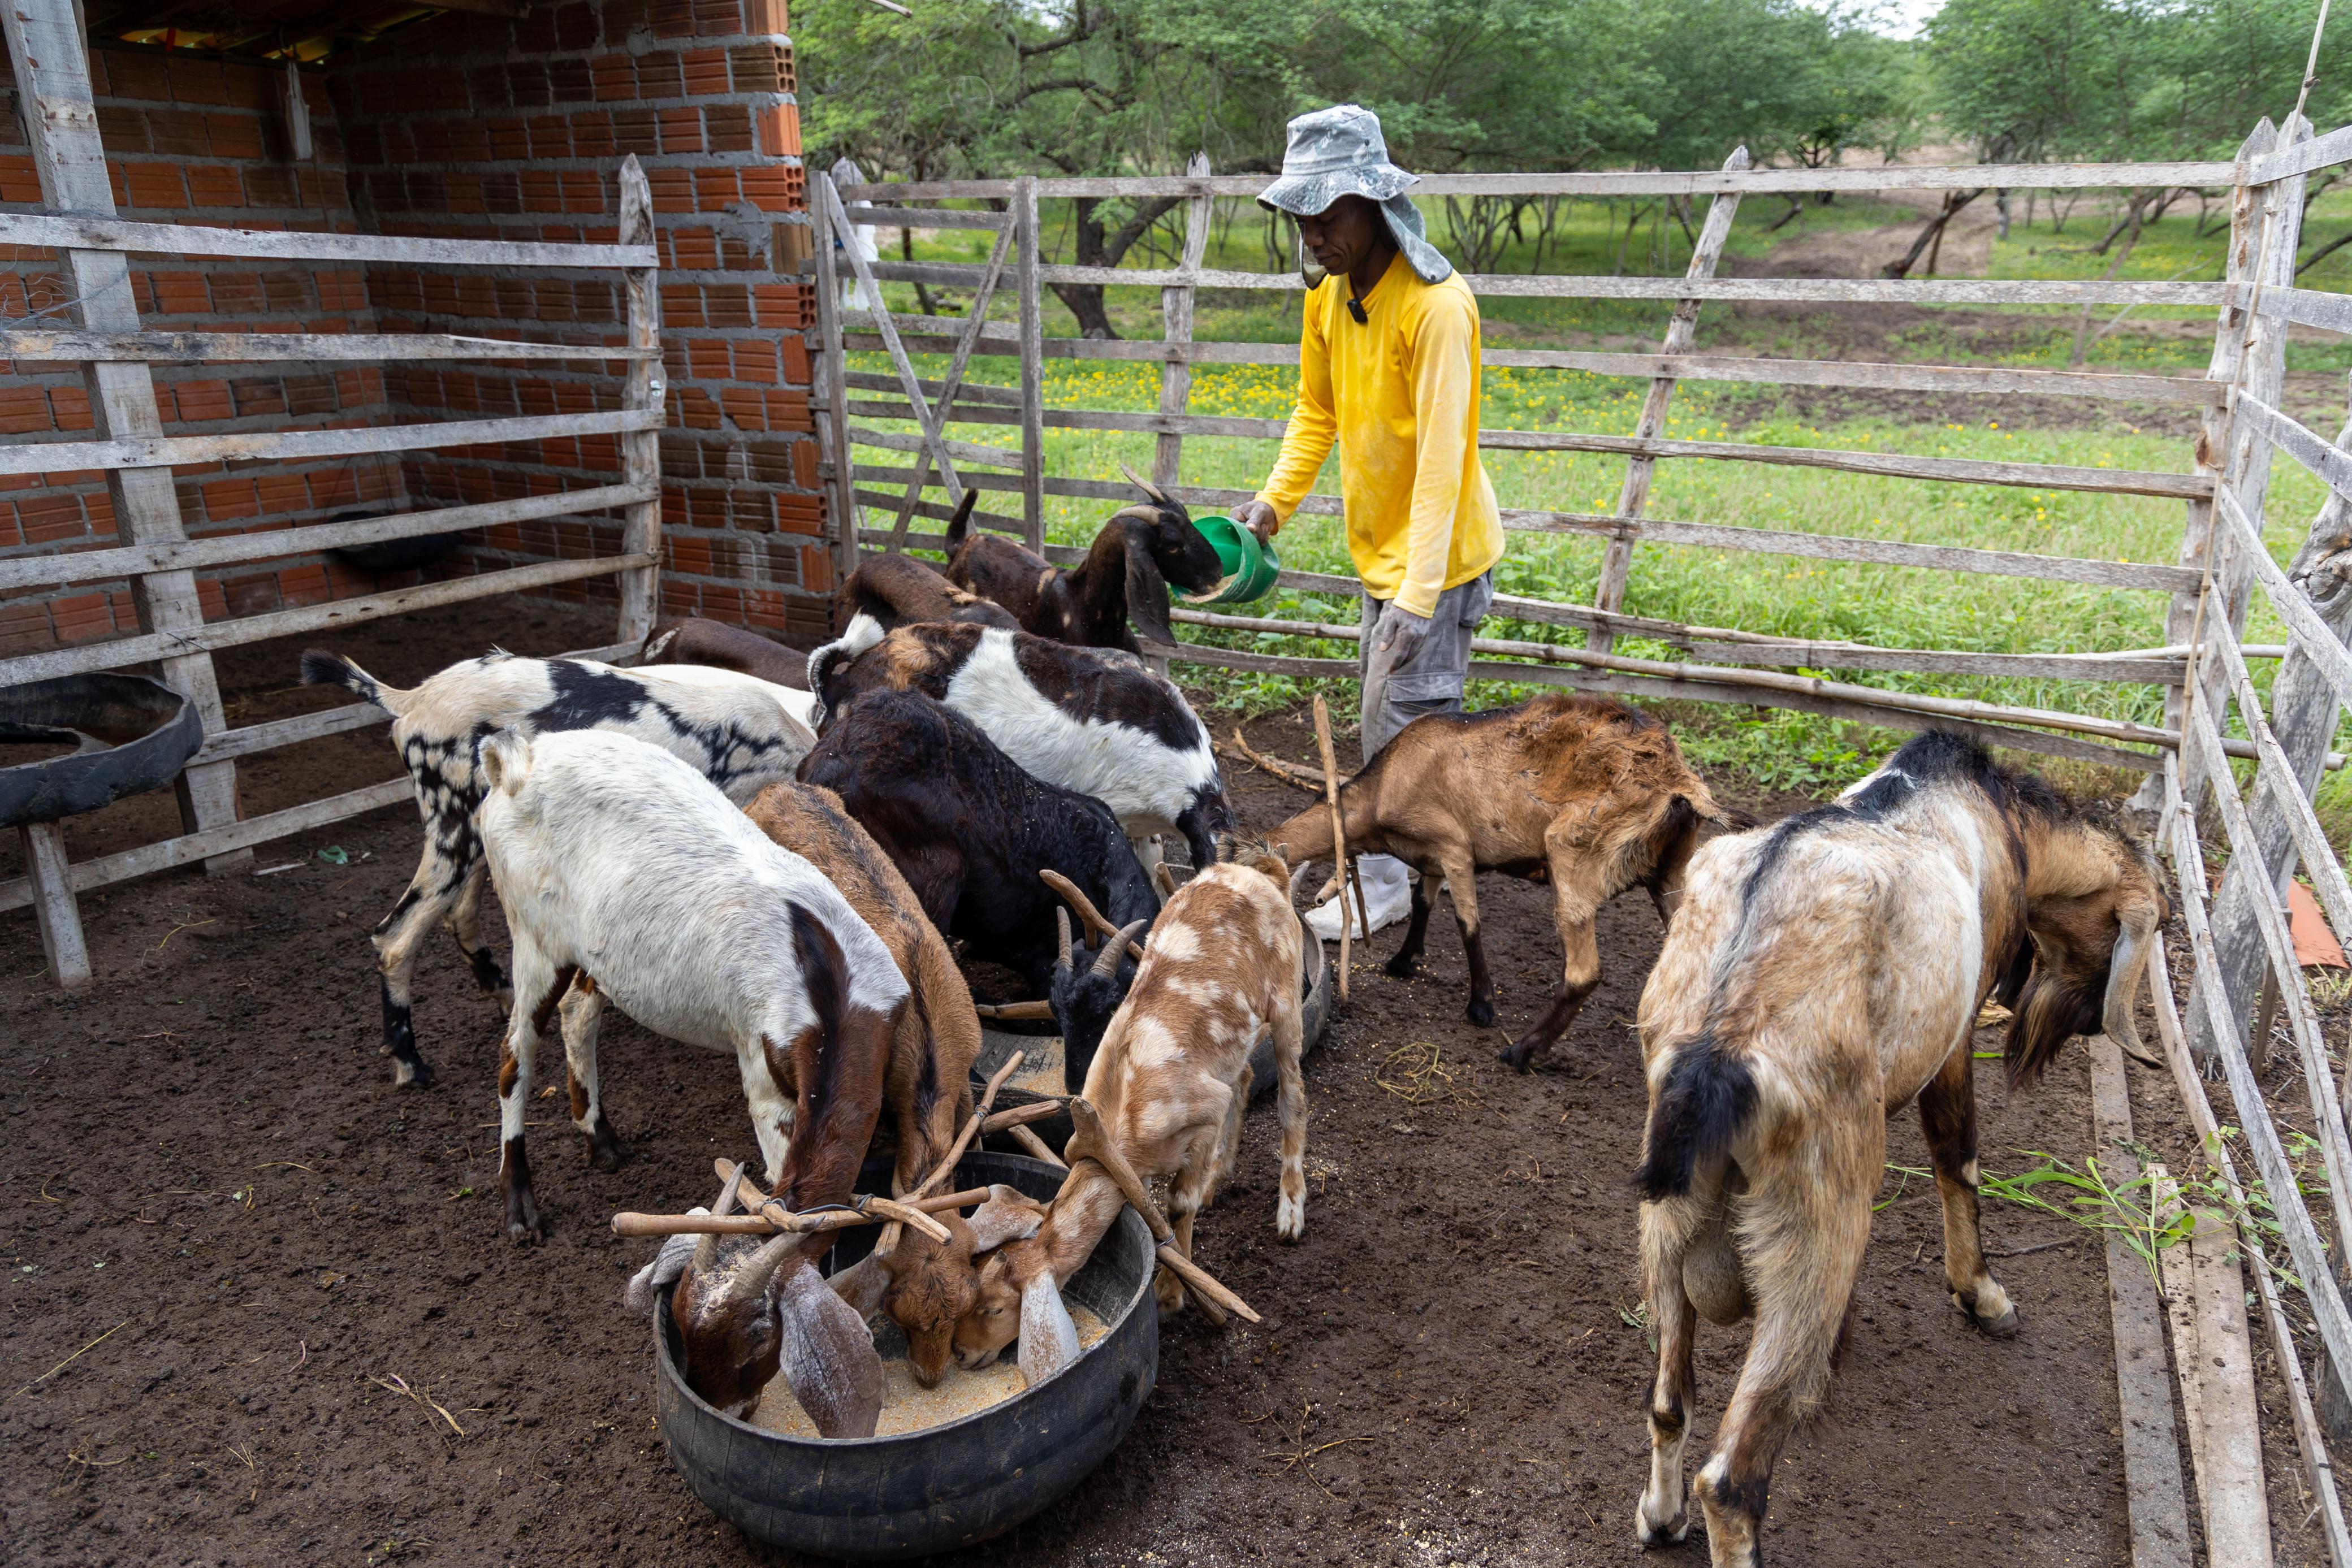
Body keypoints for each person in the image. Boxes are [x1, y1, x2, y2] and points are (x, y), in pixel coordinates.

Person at [1231, 105, 1503, 935]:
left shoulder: (1436, 308)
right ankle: (1401, 870)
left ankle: (1389, 889)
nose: (1312, 236)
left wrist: (1417, 597)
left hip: (1437, 564)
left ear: (1375, 203)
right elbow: (1316, 411)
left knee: (1404, 731)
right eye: (1301, 220)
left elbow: (1444, 462)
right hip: (1385, 555)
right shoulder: (1329, 296)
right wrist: (1274, 501)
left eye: (1327, 217)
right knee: (1388, 724)